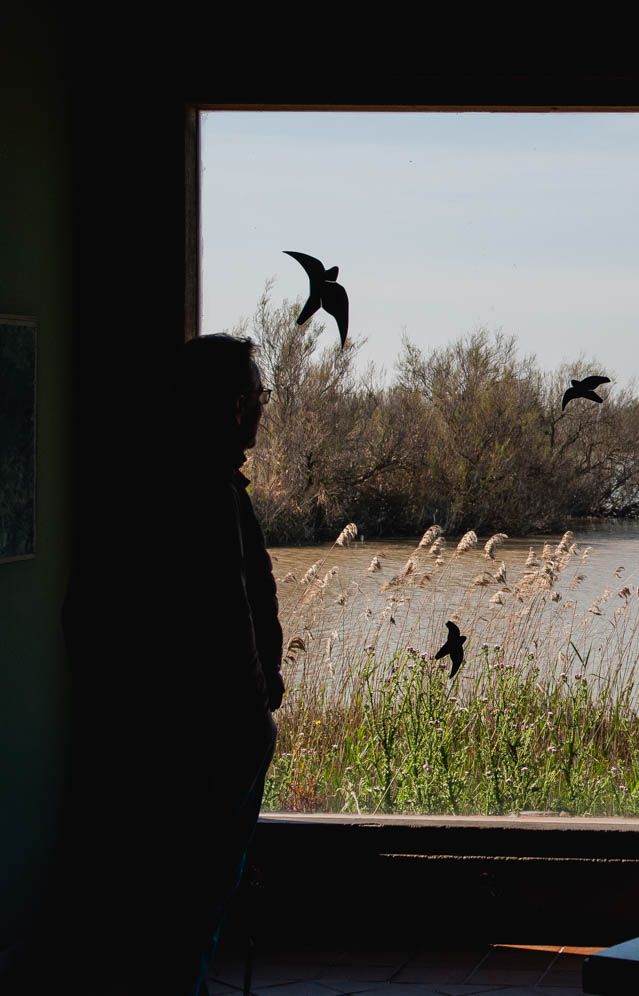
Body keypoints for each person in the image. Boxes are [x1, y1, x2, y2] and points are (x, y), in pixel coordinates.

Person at [163, 333, 285, 993]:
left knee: (188, 905)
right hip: (217, 740)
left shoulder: (172, 480)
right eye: (260, 397)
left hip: (203, 735)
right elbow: (228, 616)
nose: (263, 413)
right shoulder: (203, 492)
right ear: (236, 404)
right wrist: (253, 725)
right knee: (194, 905)